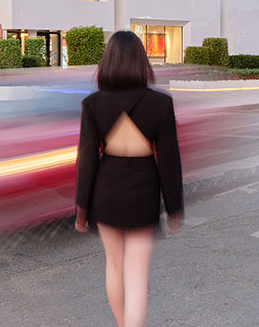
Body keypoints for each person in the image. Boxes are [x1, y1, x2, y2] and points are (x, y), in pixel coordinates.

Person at [75, 31, 183, 327]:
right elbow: (170, 161)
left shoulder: (93, 104)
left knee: (114, 266)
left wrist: (81, 210)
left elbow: (86, 159)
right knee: (136, 276)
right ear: (141, 62)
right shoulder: (160, 103)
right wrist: (174, 209)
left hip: (106, 192)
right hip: (144, 192)